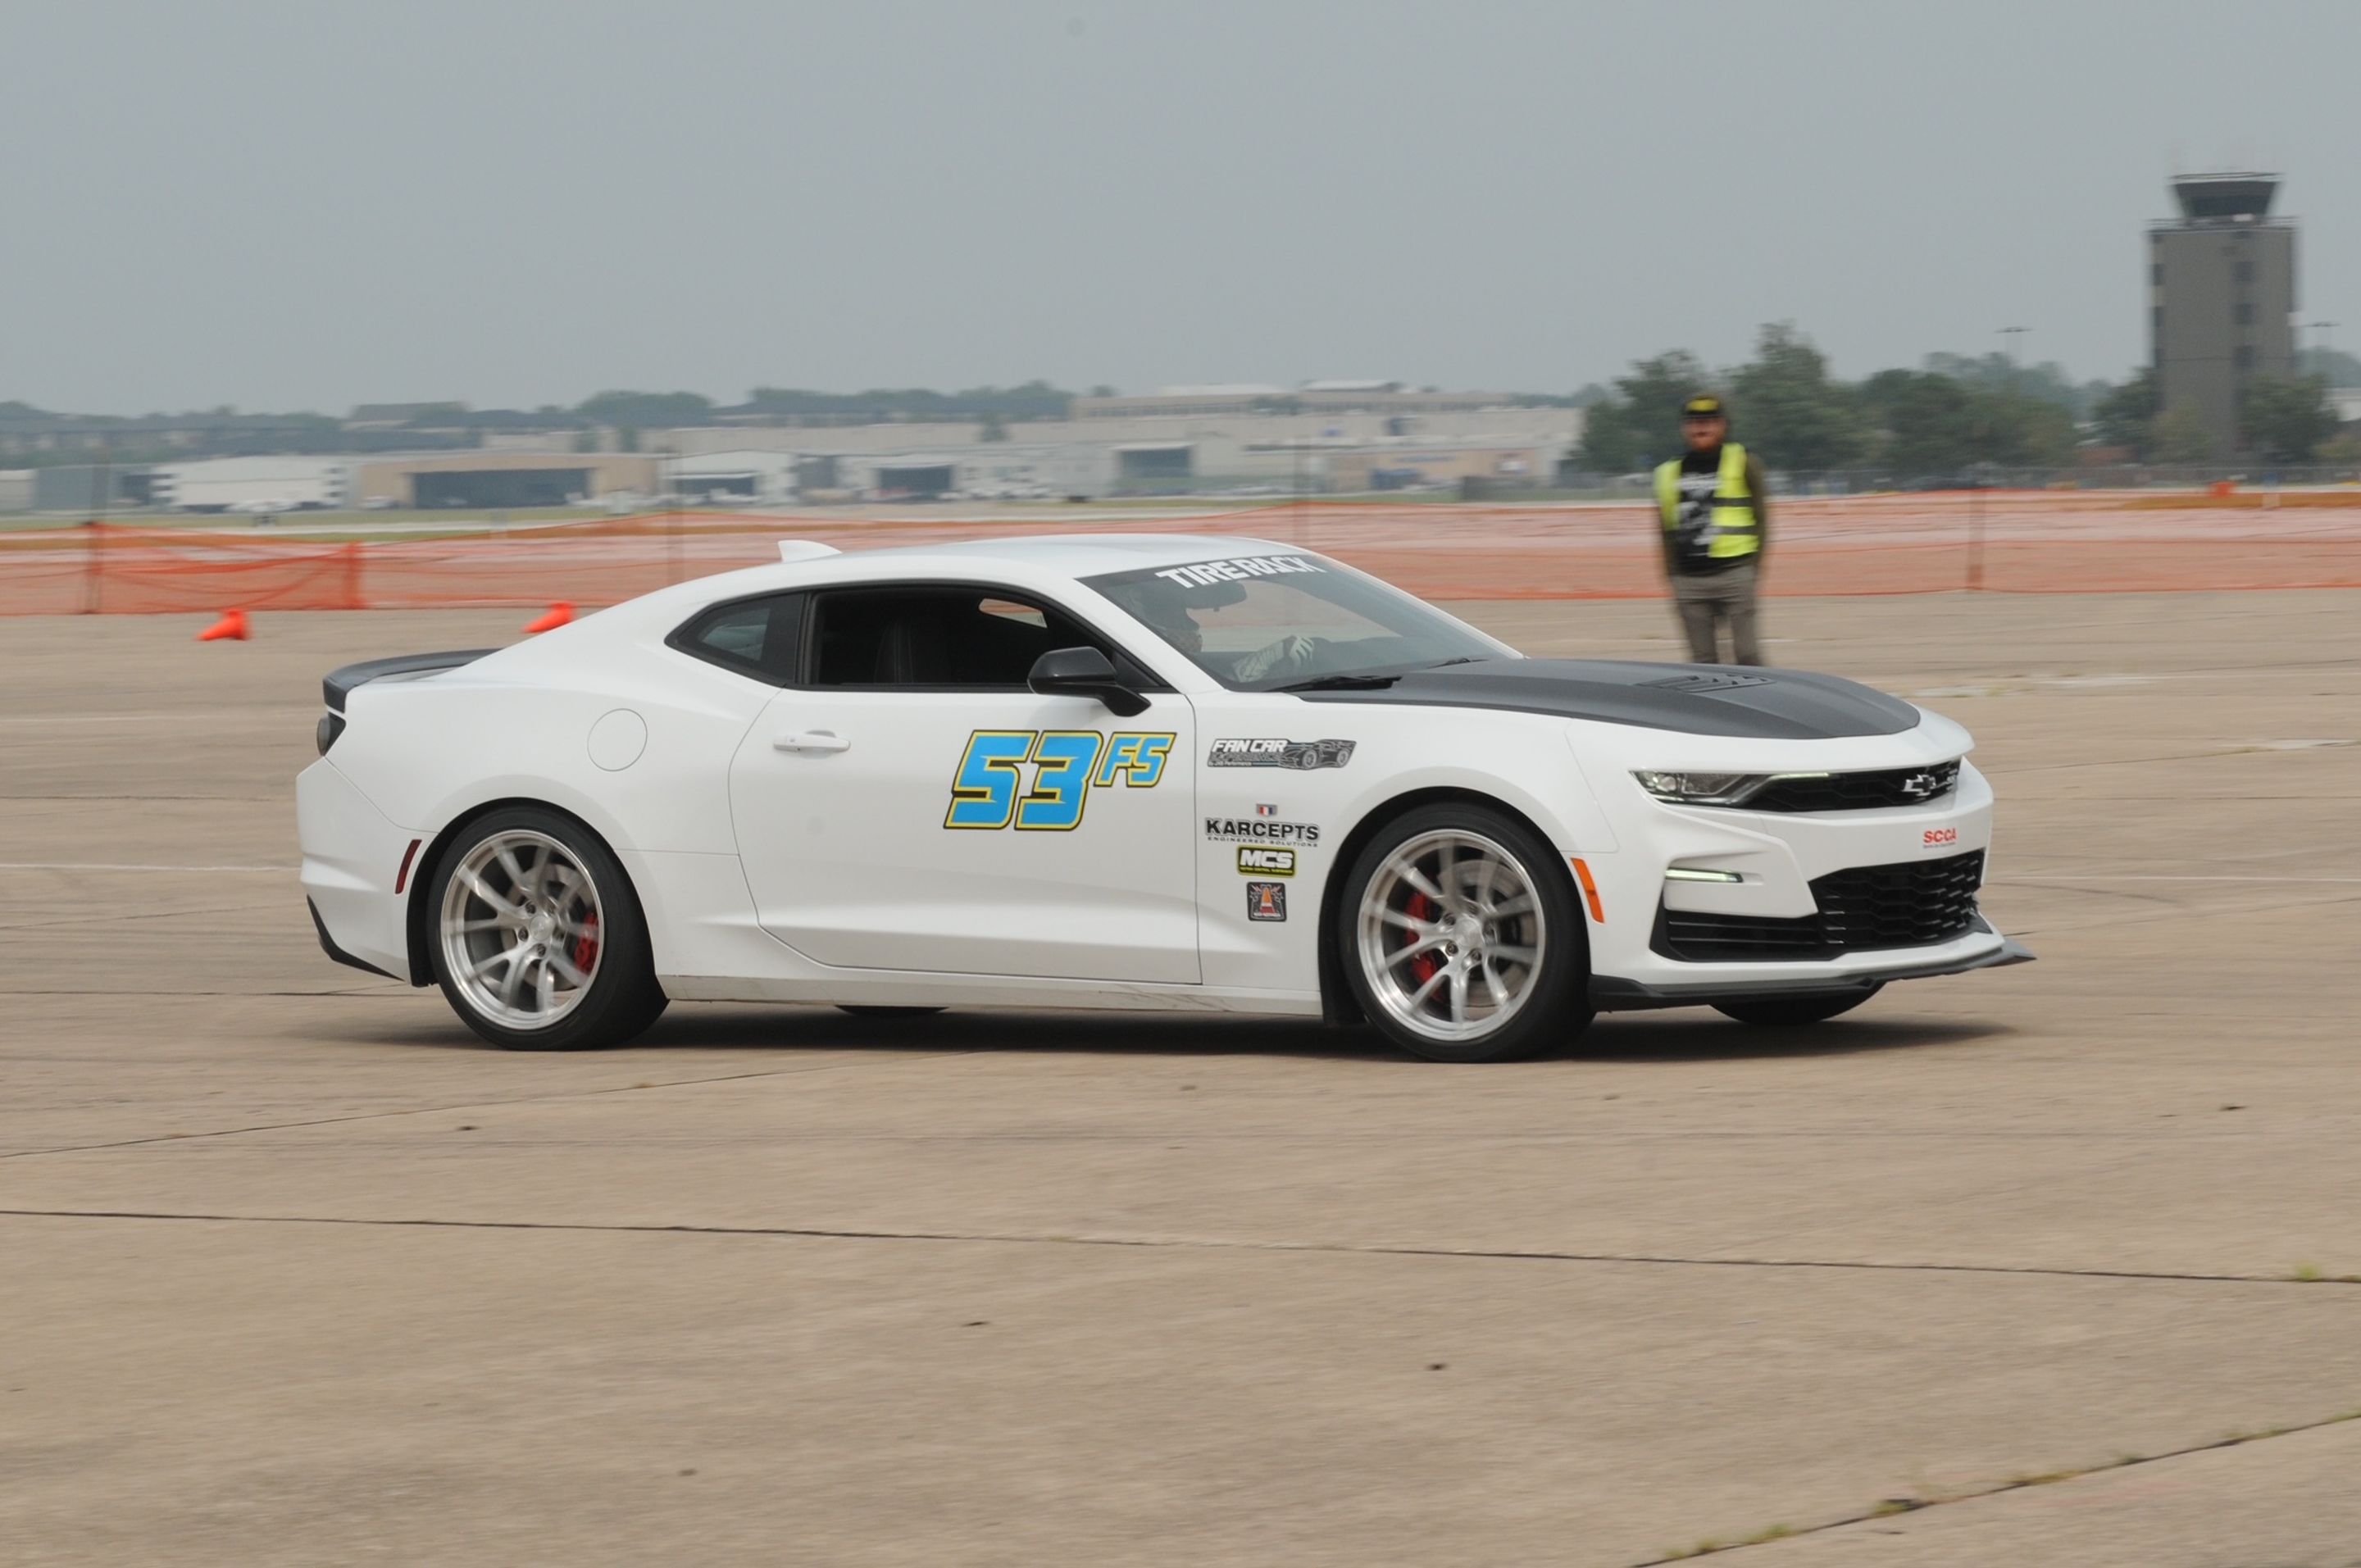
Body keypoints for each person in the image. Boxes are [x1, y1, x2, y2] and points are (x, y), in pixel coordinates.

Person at [1654, 393, 1768, 665]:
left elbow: (1762, 518)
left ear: (1723, 425)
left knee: (1748, 654)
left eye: (1708, 421)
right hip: (1689, 581)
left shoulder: (1743, 461)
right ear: (1684, 428)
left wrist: (1753, 569)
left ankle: (1759, 704)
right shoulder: (1669, 471)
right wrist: (1673, 576)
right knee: (1703, 662)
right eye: (1693, 422)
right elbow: (1665, 529)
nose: (1700, 428)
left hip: (1734, 573)